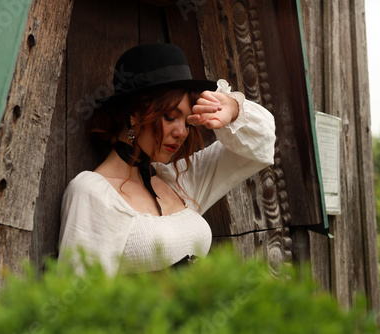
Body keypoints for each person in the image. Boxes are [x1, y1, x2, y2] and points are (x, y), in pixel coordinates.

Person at [58, 43, 276, 276]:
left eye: (187, 121)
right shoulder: (92, 193)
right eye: (170, 117)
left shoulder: (180, 179)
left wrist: (231, 108)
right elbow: (79, 299)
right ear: (133, 116)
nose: (182, 132)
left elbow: (261, 146)